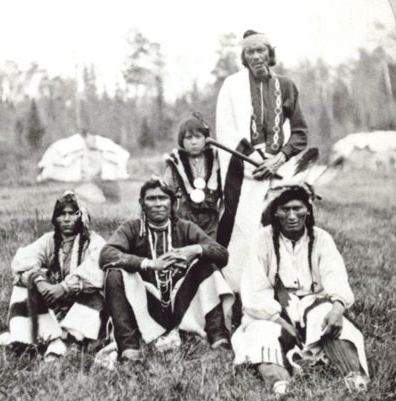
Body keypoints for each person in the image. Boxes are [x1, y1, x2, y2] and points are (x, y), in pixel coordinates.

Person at [231, 184, 369, 397]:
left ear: (308, 211)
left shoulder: (321, 238)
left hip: (313, 304)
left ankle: (354, 376)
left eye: (298, 208)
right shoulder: (262, 239)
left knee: (334, 326)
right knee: (261, 336)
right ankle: (279, 382)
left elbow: (336, 276)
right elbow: (254, 287)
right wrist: (282, 322)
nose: (292, 215)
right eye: (285, 209)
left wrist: (337, 309)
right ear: (275, 212)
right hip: (273, 309)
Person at [96, 178, 233, 367]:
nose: (158, 204)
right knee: (114, 273)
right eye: (151, 199)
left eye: (163, 198)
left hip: (181, 304)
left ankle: (219, 339)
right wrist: (148, 264)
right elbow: (106, 254)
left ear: (173, 202)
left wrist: (194, 250)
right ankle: (129, 349)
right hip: (146, 305)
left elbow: (222, 254)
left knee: (207, 265)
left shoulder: (185, 228)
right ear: (142, 203)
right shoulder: (132, 228)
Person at [215, 30, 308, 292]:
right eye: (249, 52)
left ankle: (287, 285)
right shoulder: (232, 86)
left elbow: (300, 132)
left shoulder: (286, 86)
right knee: (242, 229)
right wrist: (254, 161)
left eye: (260, 50)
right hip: (244, 168)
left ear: (270, 52)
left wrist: (278, 159)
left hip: (280, 167)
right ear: (244, 57)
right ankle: (237, 289)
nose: (256, 56)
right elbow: (226, 129)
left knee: (283, 223)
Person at [0, 191, 106, 361]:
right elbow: (23, 260)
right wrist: (40, 281)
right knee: (23, 285)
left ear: (82, 217)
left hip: (81, 305)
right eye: (62, 214)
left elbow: (96, 268)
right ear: (55, 219)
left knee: (95, 293)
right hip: (54, 303)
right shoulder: (49, 240)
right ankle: (30, 337)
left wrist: (64, 287)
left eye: (73, 214)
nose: (67, 219)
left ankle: (72, 339)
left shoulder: (93, 241)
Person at [163, 112, 222, 239]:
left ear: (205, 139)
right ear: (182, 141)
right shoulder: (176, 163)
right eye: (189, 138)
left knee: (210, 250)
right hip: (185, 219)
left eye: (198, 137)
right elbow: (166, 192)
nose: (194, 142)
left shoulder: (216, 160)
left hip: (212, 220)